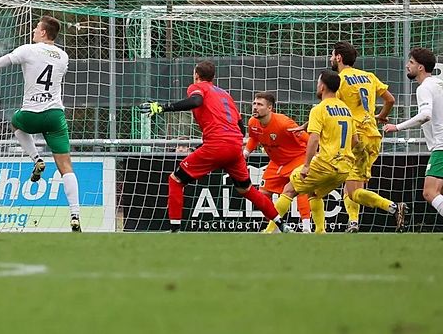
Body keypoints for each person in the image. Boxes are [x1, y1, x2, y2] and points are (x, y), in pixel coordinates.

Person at [140, 61, 290, 232]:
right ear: (213, 77)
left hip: (217, 145)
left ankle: (175, 229)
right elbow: (240, 126)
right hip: (235, 146)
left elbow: (196, 101)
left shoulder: (198, 87)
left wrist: (163, 107)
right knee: (247, 190)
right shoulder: (225, 94)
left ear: (196, 75)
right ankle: (281, 224)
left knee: (175, 180)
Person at [0, 15, 81, 232]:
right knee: (66, 166)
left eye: (36, 28)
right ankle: (75, 214)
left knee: (15, 124)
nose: (34, 31)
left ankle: (36, 159)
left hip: (31, 114)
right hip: (55, 115)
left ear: (44, 32)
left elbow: (2, 62)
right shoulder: (63, 56)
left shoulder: (28, 49)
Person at [330, 41, 406, 232]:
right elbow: (390, 99)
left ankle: (394, 207)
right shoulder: (368, 77)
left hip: (354, 137)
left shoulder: (339, 80)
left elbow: (332, 109)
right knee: (353, 184)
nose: (331, 58)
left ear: (338, 57)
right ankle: (353, 223)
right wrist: (380, 115)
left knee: (353, 190)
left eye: (332, 55)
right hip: (373, 136)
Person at [269, 71, 356, 233]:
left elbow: (313, 139)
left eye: (318, 83)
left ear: (322, 87)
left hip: (325, 163)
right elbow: (355, 140)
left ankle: (268, 231)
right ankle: (320, 231)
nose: (317, 86)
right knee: (314, 193)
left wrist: (307, 165)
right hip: (344, 168)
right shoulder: (347, 109)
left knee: (289, 188)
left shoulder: (318, 109)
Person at [244, 92, 314, 233]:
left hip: (297, 158)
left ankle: (307, 228)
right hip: (276, 162)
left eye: (260, 104)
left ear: (270, 108)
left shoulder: (284, 123)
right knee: (262, 194)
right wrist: (245, 152)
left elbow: (307, 139)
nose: (255, 107)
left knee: (300, 190)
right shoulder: (252, 122)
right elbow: (254, 138)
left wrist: (315, 156)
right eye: (254, 104)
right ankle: (275, 227)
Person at [384, 48, 438, 225]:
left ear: (421, 67)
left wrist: (397, 127)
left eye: (411, 62)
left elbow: (425, 115)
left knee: (429, 192)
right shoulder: (438, 84)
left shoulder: (424, 88)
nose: (407, 65)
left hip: (441, 147)